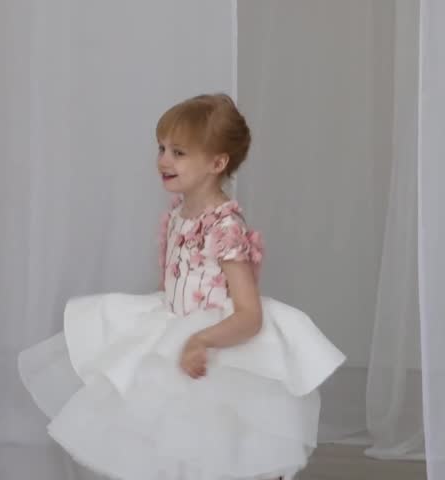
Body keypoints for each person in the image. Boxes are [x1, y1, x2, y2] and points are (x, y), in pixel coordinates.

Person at [18, 93, 345, 480]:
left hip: (216, 353)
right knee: (161, 447)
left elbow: (249, 314)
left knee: (213, 452)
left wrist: (201, 340)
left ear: (217, 162)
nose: (163, 160)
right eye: (162, 148)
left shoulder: (225, 227)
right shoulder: (178, 216)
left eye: (179, 152)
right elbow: (172, 285)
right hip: (174, 337)